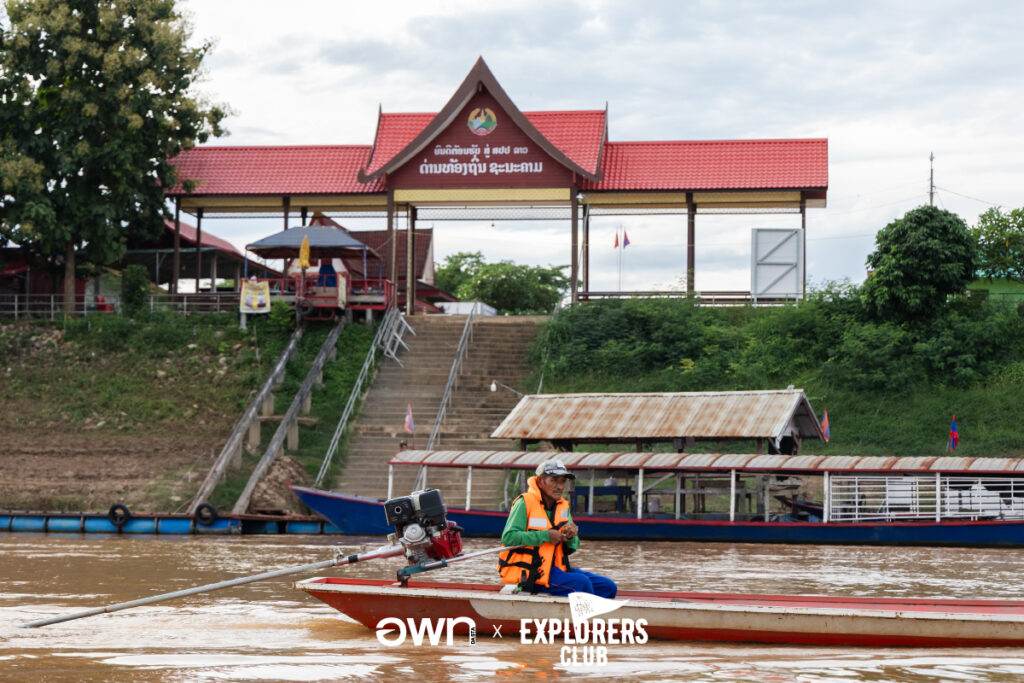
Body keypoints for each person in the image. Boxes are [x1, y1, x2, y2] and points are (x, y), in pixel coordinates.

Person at [497, 459, 617, 598]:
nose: (559, 486)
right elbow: (509, 538)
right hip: (532, 572)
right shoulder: (524, 503)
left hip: (557, 569)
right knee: (581, 584)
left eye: (562, 481)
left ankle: (597, 618)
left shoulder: (563, 506)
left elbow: (573, 547)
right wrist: (545, 536)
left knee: (608, 587)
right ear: (541, 481)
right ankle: (582, 619)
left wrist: (572, 537)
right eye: (553, 480)